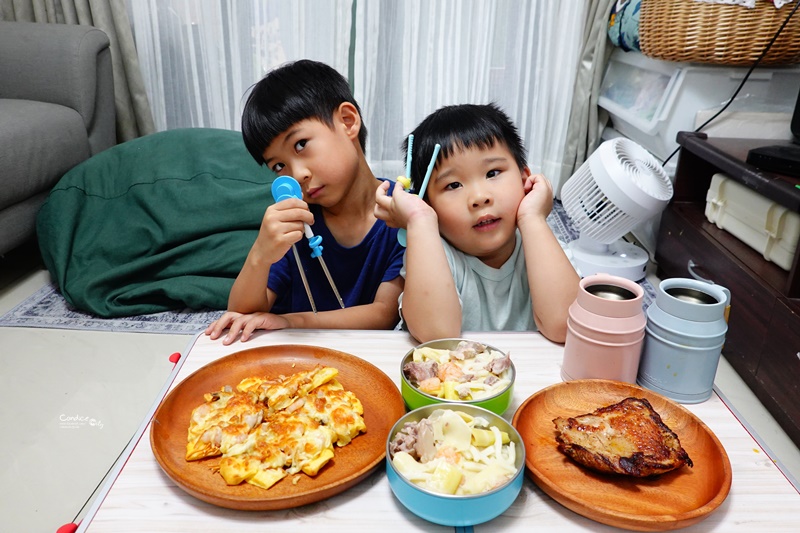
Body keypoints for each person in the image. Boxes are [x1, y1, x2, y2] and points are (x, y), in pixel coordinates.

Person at [206, 59, 405, 345]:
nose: (297, 174)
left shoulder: (401, 213)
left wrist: (290, 321)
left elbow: (384, 314)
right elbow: (240, 314)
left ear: (347, 122)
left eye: (301, 144)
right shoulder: (297, 219)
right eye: (278, 166)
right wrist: (260, 254)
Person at [374, 103, 579, 343]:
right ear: (428, 203)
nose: (480, 198)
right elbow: (436, 336)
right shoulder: (433, 255)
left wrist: (533, 217)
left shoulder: (545, 246)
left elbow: (566, 327)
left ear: (525, 179)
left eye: (492, 173)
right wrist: (419, 219)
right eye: (453, 185)